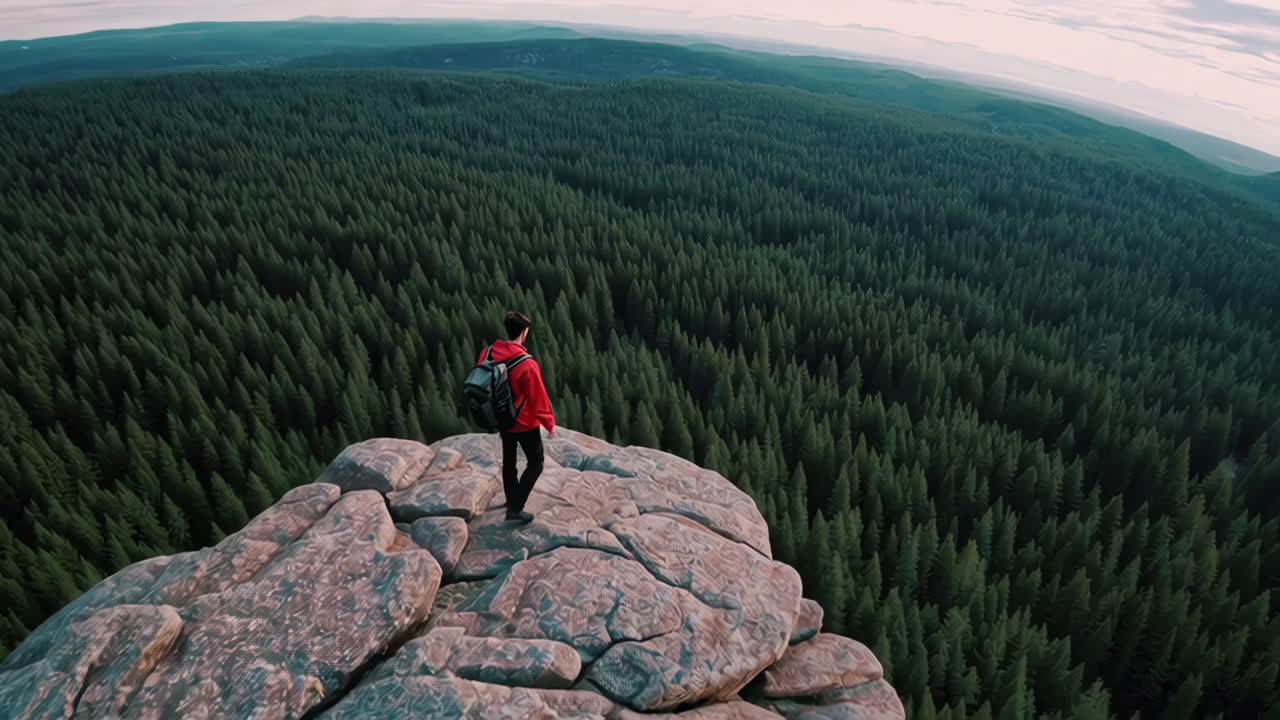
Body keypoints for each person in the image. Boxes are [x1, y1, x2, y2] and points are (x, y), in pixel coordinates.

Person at [475, 311, 556, 524]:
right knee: (536, 463)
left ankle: (511, 500)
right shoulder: (526, 363)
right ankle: (515, 507)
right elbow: (538, 397)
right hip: (524, 422)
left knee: (509, 463)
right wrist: (549, 423)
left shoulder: (487, 353)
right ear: (524, 332)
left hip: (501, 419)